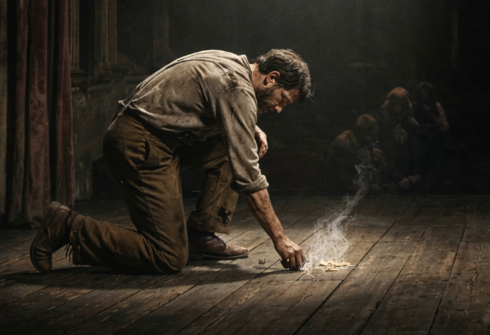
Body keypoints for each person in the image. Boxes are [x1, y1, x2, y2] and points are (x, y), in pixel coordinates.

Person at [30, 49, 312, 274]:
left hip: (157, 139)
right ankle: (67, 226)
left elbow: (218, 102)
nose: (277, 109)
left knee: (244, 141)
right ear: (271, 78)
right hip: (138, 144)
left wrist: (251, 127)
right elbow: (248, 176)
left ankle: (200, 234)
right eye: (282, 100)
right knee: (167, 256)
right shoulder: (237, 89)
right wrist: (280, 239)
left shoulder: (231, 62)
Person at [374, 87, 422, 191]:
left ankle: (411, 176)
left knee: (413, 147)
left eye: (400, 103)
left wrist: (409, 124)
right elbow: (383, 130)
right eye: (395, 103)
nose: (397, 106)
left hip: (402, 140)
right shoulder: (383, 111)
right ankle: (397, 180)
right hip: (387, 140)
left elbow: (410, 124)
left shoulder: (407, 109)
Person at [328, 114, 387, 194]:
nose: (373, 138)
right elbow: (339, 170)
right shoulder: (344, 143)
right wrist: (356, 184)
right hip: (340, 190)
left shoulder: (361, 143)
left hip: (355, 186)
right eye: (370, 135)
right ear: (362, 132)